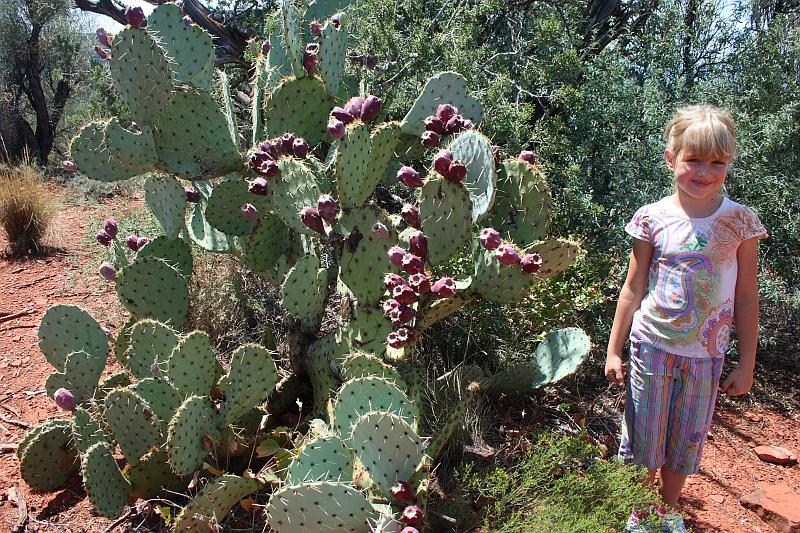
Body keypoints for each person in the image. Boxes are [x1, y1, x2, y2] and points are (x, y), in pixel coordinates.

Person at [604, 104, 768, 532]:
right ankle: (639, 514)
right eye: (693, 159)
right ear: (670, 157)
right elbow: (633, 288)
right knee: (646, 439)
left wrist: (746, 362)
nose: (705, 171)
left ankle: (665, 512)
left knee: (685, 441)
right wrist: (613, 350)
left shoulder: (740, 222)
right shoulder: (652, 217)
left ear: (728, 164)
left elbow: (746, 294)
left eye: (718, 162)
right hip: (652, 347)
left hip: (706, 355)